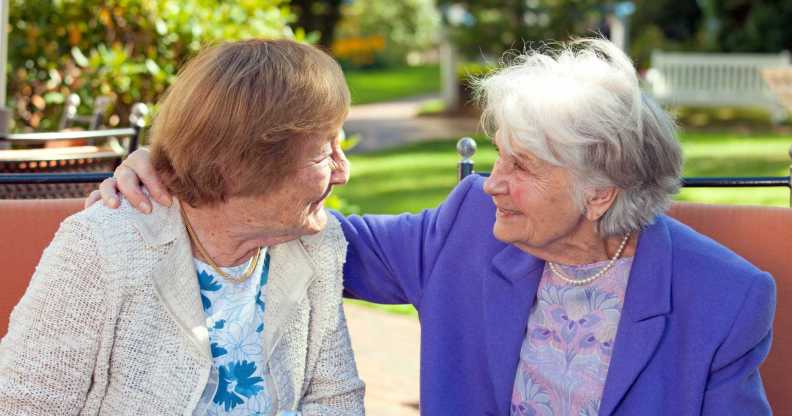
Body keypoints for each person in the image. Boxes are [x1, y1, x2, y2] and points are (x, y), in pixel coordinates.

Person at [93, 38, 775, 415]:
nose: (492, 182)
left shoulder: (722, 298)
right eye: (498, 154)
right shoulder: (470, 224)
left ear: (600, 196)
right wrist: (181, 168)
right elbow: (313, 235)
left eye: (523, 166)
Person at [0, 39, 364, 415]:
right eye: (324, 150)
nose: (343, 171)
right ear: (242, 164)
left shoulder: (317, 244)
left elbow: (337, 400)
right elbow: (23, 406)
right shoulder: (103, 246)